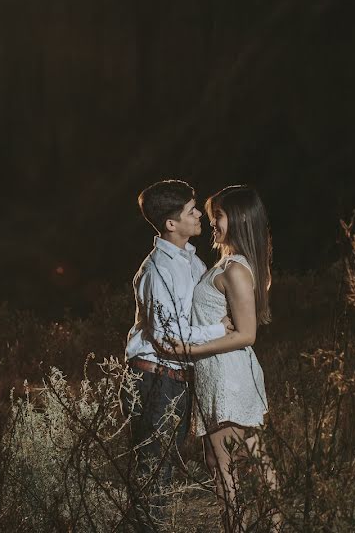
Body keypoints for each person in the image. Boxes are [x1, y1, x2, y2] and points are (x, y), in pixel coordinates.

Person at [169, 184, 280, 531]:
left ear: (240, 218)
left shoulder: (235, 269)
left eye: (218, 215)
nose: (212, 222)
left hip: (227, 376)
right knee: (241, 464)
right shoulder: (228, 263)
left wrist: (190, 349)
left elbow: (247, 334)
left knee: (228, 469)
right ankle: (272, 525)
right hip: (218, 373)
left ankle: (256, 526)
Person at [123, 179, 235, 500]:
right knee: (154, 471)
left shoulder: (192, 261)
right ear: (171, 223)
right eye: (191, 210)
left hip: (178, 378)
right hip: (154, 378)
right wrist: (221, 329)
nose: (199, 213)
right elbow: (166, 338)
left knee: (165, 465)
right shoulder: (157, 272)